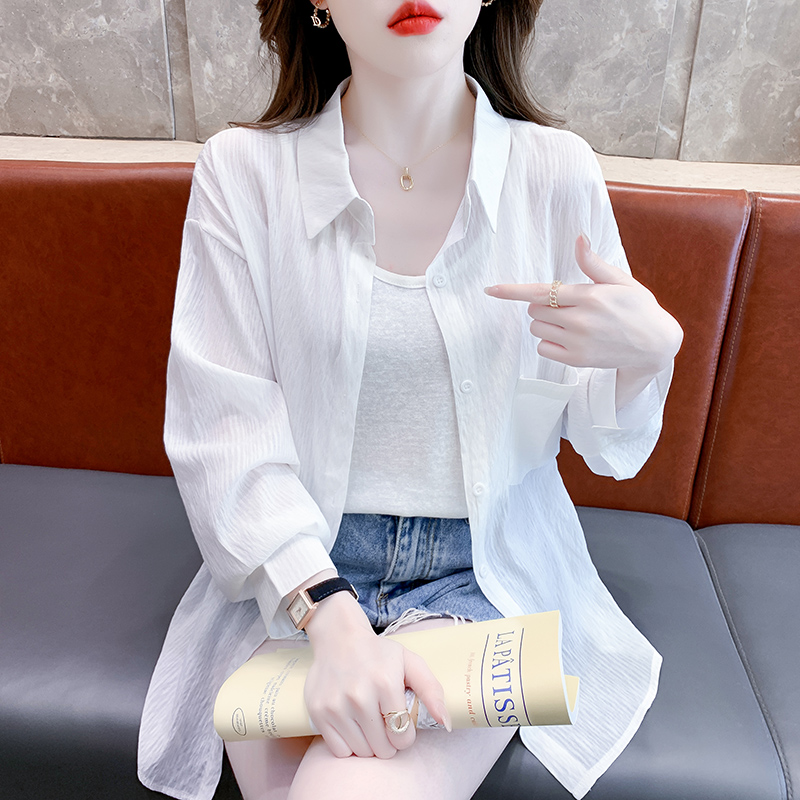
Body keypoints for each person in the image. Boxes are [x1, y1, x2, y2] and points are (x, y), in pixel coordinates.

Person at [137, 0, 683, 798]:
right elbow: (224, 433)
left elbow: (607, 445)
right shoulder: (243, 173)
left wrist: (647, 358)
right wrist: (328, 616)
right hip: (293, 567)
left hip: (480, 572)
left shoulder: (553, 171)